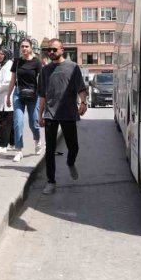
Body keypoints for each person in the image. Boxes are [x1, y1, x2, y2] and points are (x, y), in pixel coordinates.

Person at [38, 39, 88, 195]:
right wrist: (40, 114)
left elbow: (81, 87)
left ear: (62, 49)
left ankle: (70, 162)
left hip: (68, 112)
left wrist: (83, 102)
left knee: (74, 146)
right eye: (49, 50)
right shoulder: (45, 70)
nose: (51, 52)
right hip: (50, 114)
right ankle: (51, 181)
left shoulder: (73, 67)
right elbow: (42, 95)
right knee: (50, 149)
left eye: (54, 49)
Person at [6, 38, 43, 162]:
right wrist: (8, 96)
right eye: (22, 46)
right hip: (18, 94)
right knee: (18, 122)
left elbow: (41, 81)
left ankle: (37, 141)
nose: (24, 48)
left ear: (31, 48)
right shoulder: (16, 62)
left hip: (33, 95)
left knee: (34, 123)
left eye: (26, 46)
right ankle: (18, 150)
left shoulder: (37, 62)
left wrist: (43, 96)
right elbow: (12, 80)